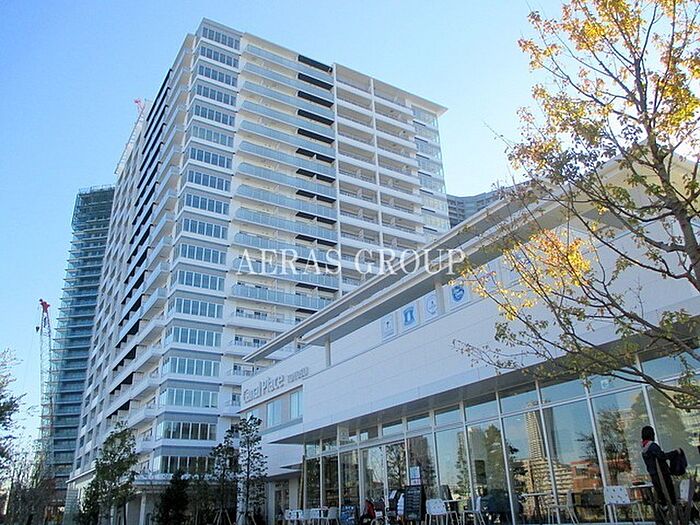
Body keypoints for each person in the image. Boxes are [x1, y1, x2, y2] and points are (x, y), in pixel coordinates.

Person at [641, 425, 678, 509]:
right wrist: (675, 453)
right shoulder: (652, 446)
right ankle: (673, 510)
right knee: (670, 493)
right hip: (662, 474)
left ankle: (664, 509)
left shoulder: (644, 448)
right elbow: (662, 456)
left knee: (661, 495)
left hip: (653, 475)